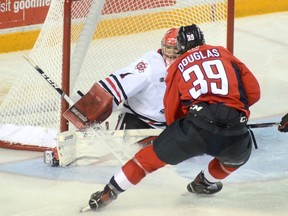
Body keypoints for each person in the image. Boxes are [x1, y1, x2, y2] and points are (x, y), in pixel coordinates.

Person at [82, 23, 261, 211]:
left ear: (181, 46)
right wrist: (233, 112)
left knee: (145, 160)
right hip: (236, 129)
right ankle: (204, 182)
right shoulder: (224, 53)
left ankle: (109, 192)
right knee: (235, 159)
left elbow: (172, 108)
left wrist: (179, 131)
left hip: (195, 129)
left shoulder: (178, 66)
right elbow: (254, 93)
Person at [66, 28, 179, 130]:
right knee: (125, 152)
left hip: (170, 125)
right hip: (138, 121)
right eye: (168, 47)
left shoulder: (188, 64)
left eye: (175, 49)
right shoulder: (150, 65)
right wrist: (87, 111)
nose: (171, 52)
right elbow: (117, 85)